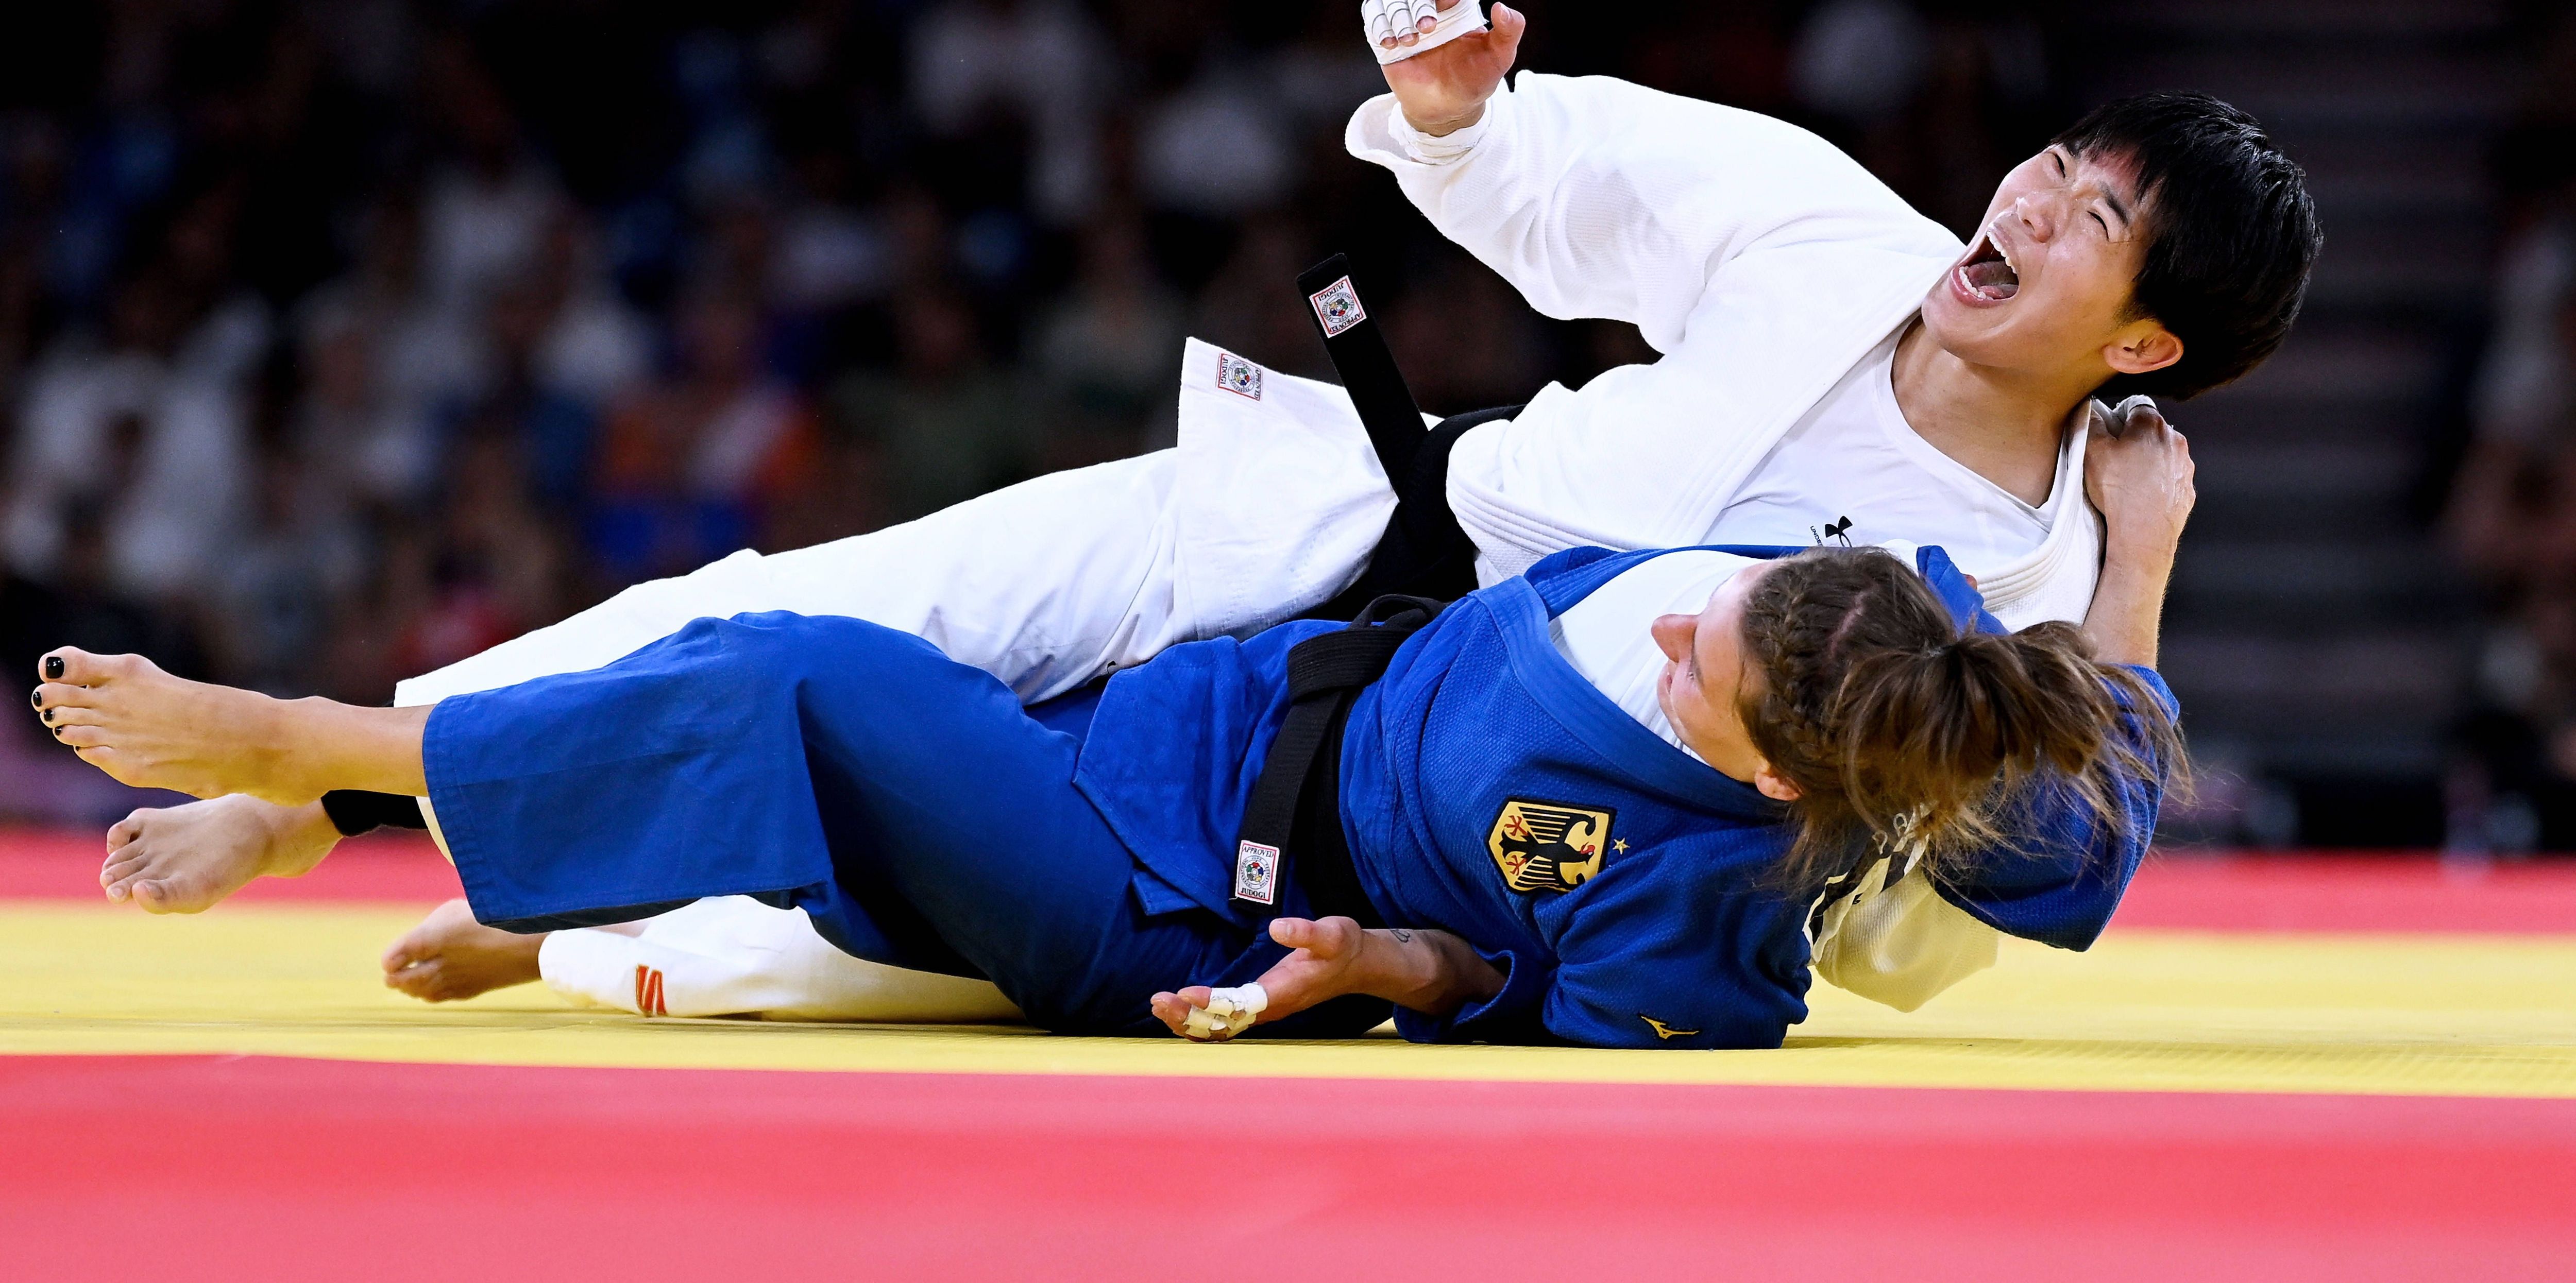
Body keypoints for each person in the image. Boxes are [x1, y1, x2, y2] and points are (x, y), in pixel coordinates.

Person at [92, 0, 2312, 1021]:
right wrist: (1457, 113)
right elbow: (1567, 186)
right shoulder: (1827, 221)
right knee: (825, 590)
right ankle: (343, 768)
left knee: (795, 960)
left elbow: (1931, 934)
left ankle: (547, 880)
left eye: (2089, 216)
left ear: (2142, 341)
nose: (2024, 196)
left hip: (1419, 787)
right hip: (1348, 543)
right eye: (2054, 158)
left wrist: (2127, 579)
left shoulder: (2009, 581)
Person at [58, 418, 2186, 1045]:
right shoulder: (1856, 608)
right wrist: (2119, 541)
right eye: (1717, 600)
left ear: (1772, 782)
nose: (1681, 626)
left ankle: (310, 743)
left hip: (1165, 897)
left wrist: (1376, 967)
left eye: (1705, 668)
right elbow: (2041, 710)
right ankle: (577, 915)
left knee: (815, 670)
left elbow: (1520, 991)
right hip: (1185, 706)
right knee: (828, 729)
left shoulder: (1713, 904)